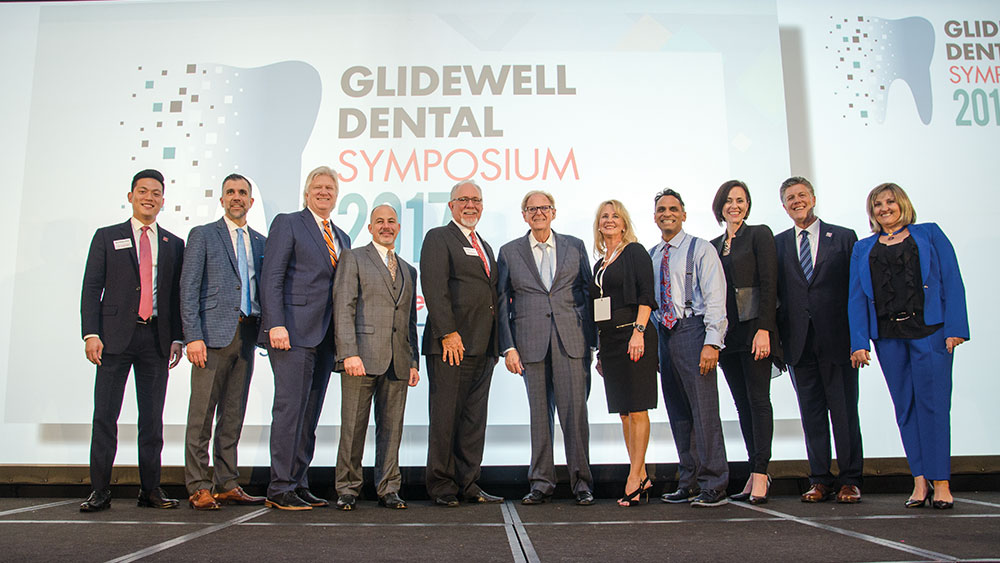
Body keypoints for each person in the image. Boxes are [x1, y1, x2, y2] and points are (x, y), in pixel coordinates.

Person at [848, 182, 969, 510]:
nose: (884, 208)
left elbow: (952, 280)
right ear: (871, 212)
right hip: (888, 337)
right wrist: (859, 342)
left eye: (890, 201)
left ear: (902, 203)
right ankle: (919, 481)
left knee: (934, 407)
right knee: (906, 410)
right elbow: (856, 298)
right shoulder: (863, 248)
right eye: (877, 204)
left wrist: (955, 328)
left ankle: (941, 482)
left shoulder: (930, 234)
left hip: (930, 333)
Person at [79, 169, 184, 512]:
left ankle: (150, 490)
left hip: (156, 339)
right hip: (113, 340)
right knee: (105, 417)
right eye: (143, 191)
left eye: (156, 193)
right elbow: (92, 288)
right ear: (130, 196)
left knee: (152, 420)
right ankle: (100, 490)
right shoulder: (107, 236)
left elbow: (175, 296)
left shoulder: (173, 243)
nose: (149, 197)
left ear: (163, 201)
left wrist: (178, 338)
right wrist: (91, 333)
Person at [259, 165, 351, 510]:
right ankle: (279, 486)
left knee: (309, 414)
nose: (324, 192)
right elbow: (272, 277)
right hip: (293, 333)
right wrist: (275, 324)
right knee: (289, 410)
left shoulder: (342, 236)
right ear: (307, 193)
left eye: (330, 188)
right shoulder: (288, 222)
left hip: (326, 337)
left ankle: (299, 481)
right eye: (318, 187)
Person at [497, 190, 596, 507]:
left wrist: (592, 342)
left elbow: (588, 294)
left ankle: (582, 482)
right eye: (532, 209)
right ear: (524, 215)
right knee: (539, 416)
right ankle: (541, 482)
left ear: (554, 212)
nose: (538, 213)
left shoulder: (575, 246)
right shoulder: (509, 252)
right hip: (529, 343)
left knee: (575, 415)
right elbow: (501, 303)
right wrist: (508, 347)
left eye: (544, 208)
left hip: (571, 341)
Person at [179, 173, 267, 510]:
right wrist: (193, 336)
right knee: (201, 416)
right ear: (221, 200)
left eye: (242, 193)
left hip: (246, 336)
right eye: (230, 192)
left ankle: (227, 482)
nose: (236, 197)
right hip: (211, 338)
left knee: (233, 415)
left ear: (250, 201)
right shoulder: (203, 236)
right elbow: (189, 288)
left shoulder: (259, 241)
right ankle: (198, 485)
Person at [775, 177, 863, 504]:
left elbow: (857, 293)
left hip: (838, 340)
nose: (797, 201)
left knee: (843, 412)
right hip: (798, 343)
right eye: (789, 198)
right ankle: (819, 479)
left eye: (801, 195)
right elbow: (778, 295)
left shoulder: (843, 237)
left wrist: (859, 340)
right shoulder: (778, 242)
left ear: (812, 198)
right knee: (810, 414)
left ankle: (851, 479)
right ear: (783, 206)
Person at [420, 180, 503, 507]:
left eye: (476, 200)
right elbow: (434, 287)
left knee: (472, 421)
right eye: (464, 200)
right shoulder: (439, 238)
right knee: (445, 419)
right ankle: (441, 486)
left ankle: (469, 483)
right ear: (451, 205)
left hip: (483, 347)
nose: (471, 205)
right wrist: (447, 332)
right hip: (451, 346)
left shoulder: (484, 245)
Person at [332, 205, 420, 511]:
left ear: (398, 227)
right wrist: (348, 354)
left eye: (391, 221)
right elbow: (344, 307)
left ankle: (388, 488)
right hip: (361, 359)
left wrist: (413, 362)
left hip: (398, 361)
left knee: (392, 428)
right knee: (353, 427)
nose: (386, 226)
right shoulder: (353, 257)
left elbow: (409, 320)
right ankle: (347, 488)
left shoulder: (409, 269)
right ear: (370, 227)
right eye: (380, 221)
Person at [650, 189, 730, 508]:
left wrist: (713, 341)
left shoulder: (701, 248)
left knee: (704, 411)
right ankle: (689, 480)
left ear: (683, 214)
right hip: (664, 335)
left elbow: (714, 297)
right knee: (679, 412)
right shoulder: (653, 253)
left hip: (694, 330)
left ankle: (714, 482)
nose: (666, 213)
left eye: (673, 208)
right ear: (654, 216)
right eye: (660, 209)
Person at [710, 180, 780, 504]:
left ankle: (763, 472)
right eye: (728, 200)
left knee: (758, 400)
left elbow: (769, 283)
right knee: (741, 405)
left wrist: (765, 328)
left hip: (755, 331)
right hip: (729, 336)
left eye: (740, 200)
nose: (734, 205)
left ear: (748, 205)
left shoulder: (759, 234)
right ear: (720, 206)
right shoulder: (713, 245)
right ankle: (753, 472)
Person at [590, 200, 658, 507]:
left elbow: (646, 294)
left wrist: (639, 332)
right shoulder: (599, 264)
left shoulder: (635, 252)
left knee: (638, 407)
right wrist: (601, 352)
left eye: (615, 215)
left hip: (634, 335)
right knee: (624, 411)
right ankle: (640, 475)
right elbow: (598, 310)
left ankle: (634, 477)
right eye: (604, 216)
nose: (609, 220)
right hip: (611, 342)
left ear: (625, 222)